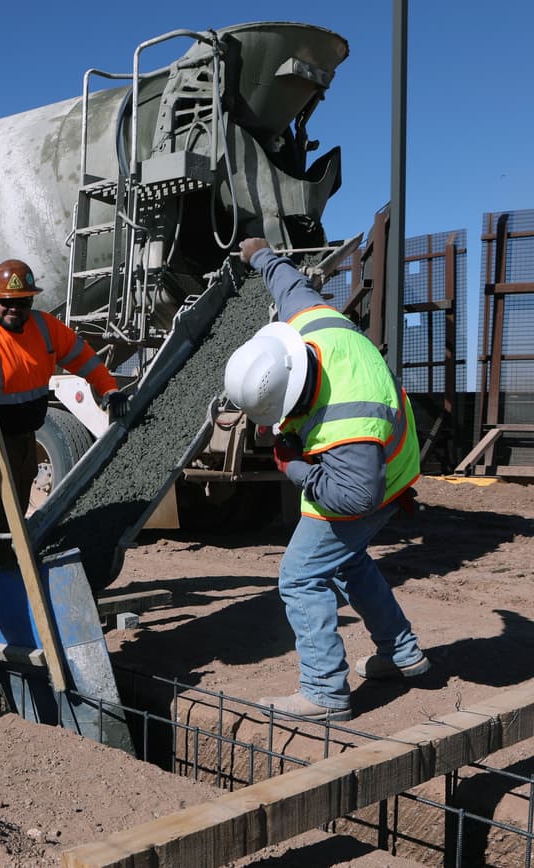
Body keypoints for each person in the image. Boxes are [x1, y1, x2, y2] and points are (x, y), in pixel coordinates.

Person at [223, 237, 429, 723]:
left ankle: (324, 692)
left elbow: (358, 495)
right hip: (385, 459)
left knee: (301, 575)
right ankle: (401, 652)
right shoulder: (311, 323)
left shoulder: (345, 419)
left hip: (369, 479)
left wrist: (292, 466)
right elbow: (290, 282)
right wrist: (260, 254)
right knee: (347, 560)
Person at [0, 258, 122, 565]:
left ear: (31, 300)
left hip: (22, 428)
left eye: (21, 303)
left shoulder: (46, 328)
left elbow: (84, 359)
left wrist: (109, 389)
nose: (14, 310)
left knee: (19, 493)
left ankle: (5, 554)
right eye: (7, 303)